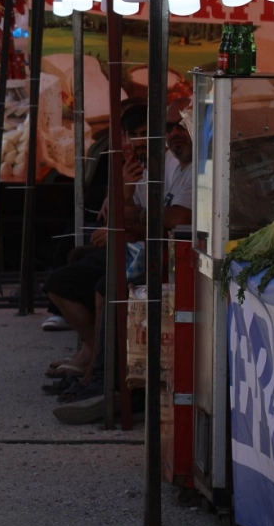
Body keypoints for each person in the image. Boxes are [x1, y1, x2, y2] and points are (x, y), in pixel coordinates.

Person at [43, 101, 193, 423]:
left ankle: (102, 380)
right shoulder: (156, 164)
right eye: (168, 129)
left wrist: (126, 220)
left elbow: (172, 219)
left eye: (181, 127)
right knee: (63, 276)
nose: (174, 135)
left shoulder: (185, 166)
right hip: (146, 250)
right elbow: (126, 216)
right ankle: (92, 357)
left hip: (169, 260)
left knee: (106, 287)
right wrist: (123, 202)